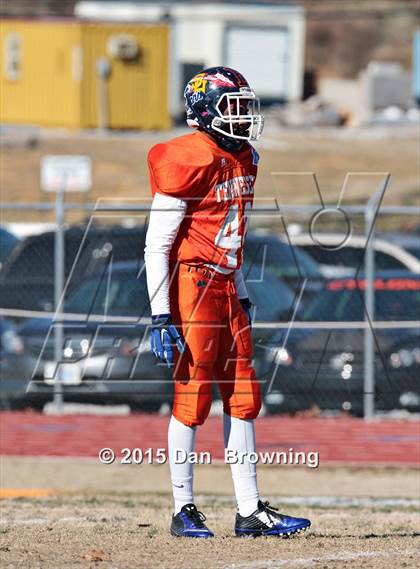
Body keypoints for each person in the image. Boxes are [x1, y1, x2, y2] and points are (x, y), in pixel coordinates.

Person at [144, 66, 311, 538]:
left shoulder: (245, 158)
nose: (243, 117)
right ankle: (183, 509)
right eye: (232, 107)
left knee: (243, 395)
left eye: (245, 107)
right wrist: (160, 312)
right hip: (192, 285)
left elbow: (230, 236)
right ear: (204, 112)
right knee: (193, 395)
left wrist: (239, 290)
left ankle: (250, 509)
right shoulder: (186, 158)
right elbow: (157, 244)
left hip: (224, 285)